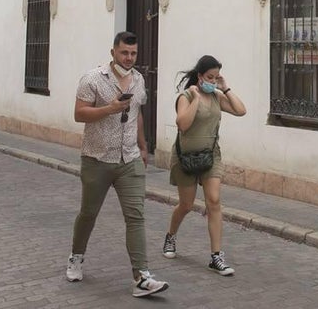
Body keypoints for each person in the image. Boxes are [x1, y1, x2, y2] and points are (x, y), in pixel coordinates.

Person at [66, 31, 168, 298]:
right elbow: (79, 114)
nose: (129, 57)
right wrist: (108, 109)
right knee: (88, 213)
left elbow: (137, 114)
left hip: (129, 159)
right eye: (124, 52)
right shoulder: (92, 79)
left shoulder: (138, 79)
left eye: (133, 53)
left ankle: (141, 276)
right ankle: (76, 257)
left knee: (135, 216)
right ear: (113, 52)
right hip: (97, 158)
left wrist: (144, 146)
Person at [161, 54, 247, 275]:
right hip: (186, 158)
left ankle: (216, 256)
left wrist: (225, 88)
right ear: (199, 77)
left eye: (217, 77)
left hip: (211, 156)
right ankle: (170, 236)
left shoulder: (218, 96)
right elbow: (183, 124)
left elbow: (240, 110)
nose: (213, 81)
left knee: (214, 201)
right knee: (186, 205)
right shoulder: (186, 97)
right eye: (210, 77)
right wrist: (196, 99)